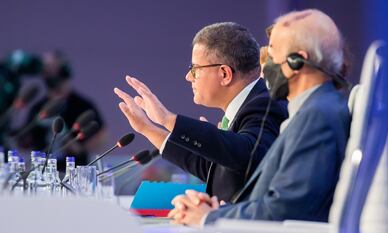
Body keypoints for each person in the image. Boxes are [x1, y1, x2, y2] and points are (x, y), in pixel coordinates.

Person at [167, 9, 351, 227]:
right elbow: (270, 199)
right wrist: (217, 210)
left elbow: (286, 208)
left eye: (272, 57)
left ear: (297, 62)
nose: (264, 69)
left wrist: (209, 218)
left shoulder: (317, 116)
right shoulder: (313, 110)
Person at [114, 22, 288, 202]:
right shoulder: (248, 105)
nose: (188, 77)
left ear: (224, 74)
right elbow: (213, 167)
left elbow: (245, 154)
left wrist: (167, 119)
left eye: (195, 69)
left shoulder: (265, 105)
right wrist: (147, 128)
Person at [19, 50, 106, 170]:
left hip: (74, 173)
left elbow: (101, 136)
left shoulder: (83, 106)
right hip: (42, 173)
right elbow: (26, 141)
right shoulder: (38, 108)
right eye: (45, 68)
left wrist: (79, 148)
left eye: (51, 67)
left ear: (65, 70)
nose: (46, 72)